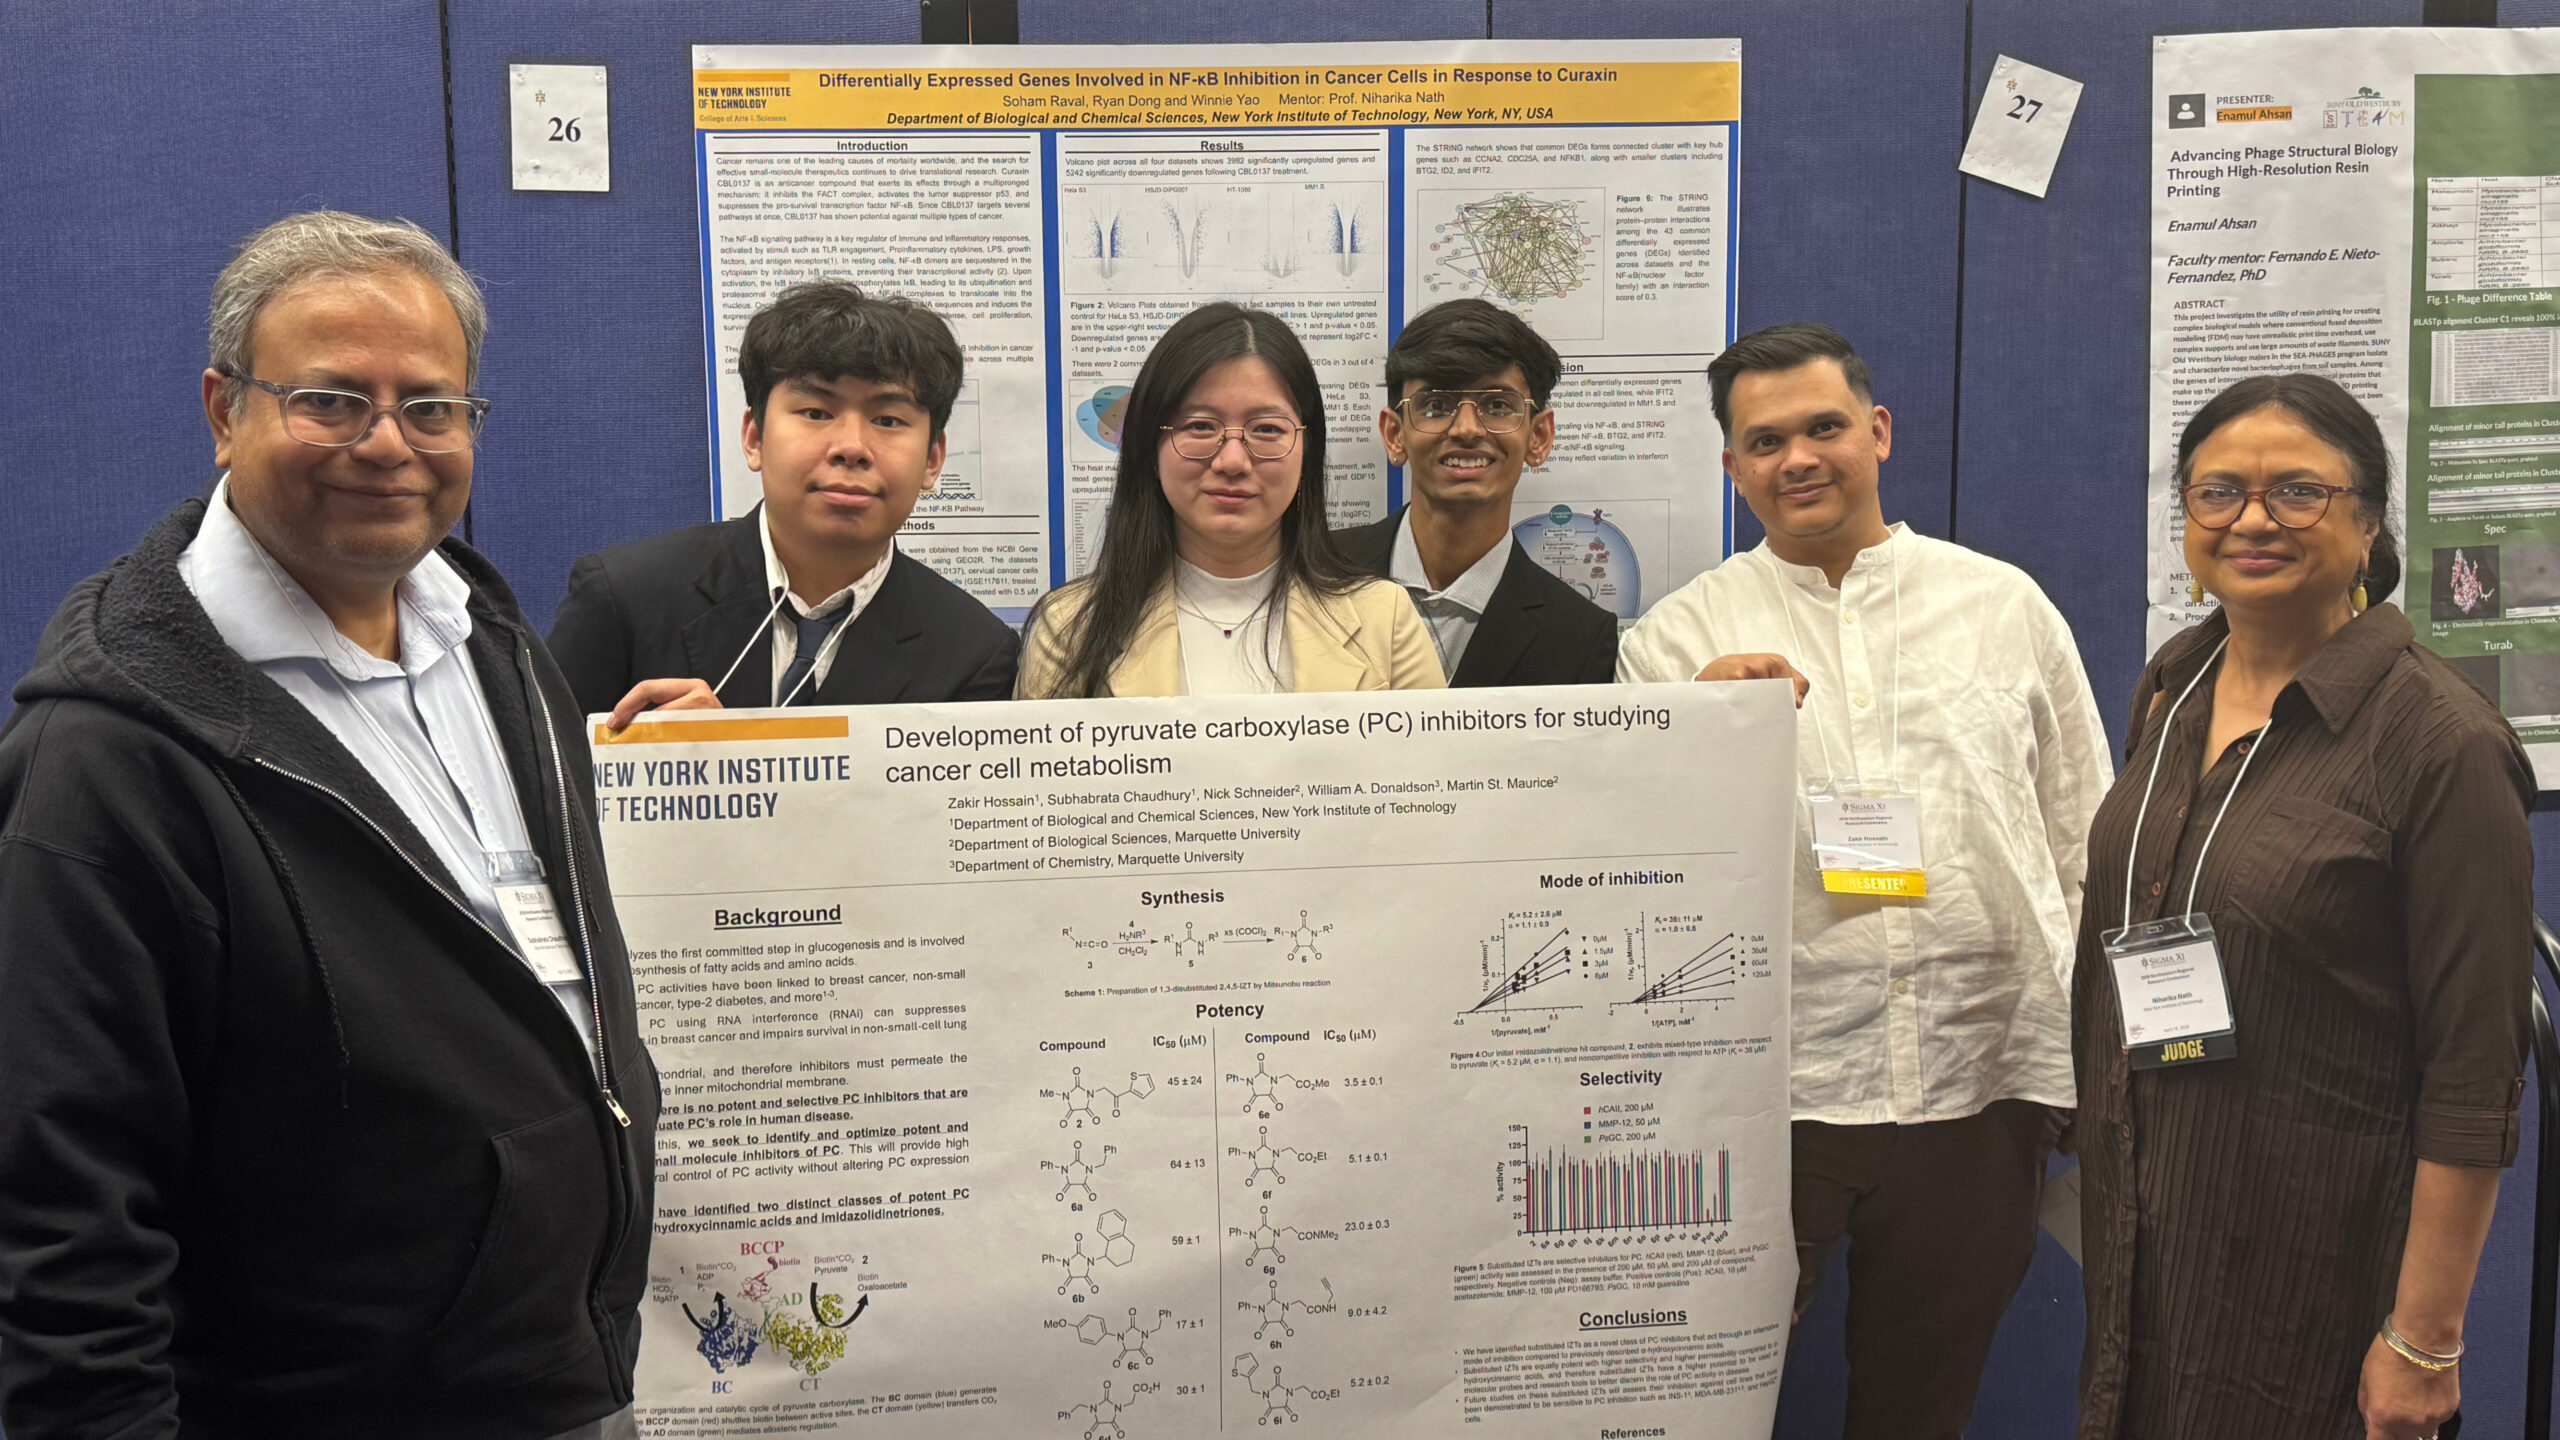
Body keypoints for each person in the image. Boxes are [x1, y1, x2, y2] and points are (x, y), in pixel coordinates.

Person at [0, 212, 655, 1439]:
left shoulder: (493, 646)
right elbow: (59, 1218)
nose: (389, 445)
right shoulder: (111, 758)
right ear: (222, 410)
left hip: (565, 1390)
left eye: (432, 406)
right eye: (332, 400)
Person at [1617, 322, 2109, 1440]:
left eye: (1824, 427)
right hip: (1768, 1089)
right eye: (1765, 439)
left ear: (1876, 432)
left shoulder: (2002, 607)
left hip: (1977, 1081)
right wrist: (1691, 728)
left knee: (1920, 1406)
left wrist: (2093, 1058)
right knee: (1693, 1402)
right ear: (1730, 467)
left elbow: (2084, 829)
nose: (1799, 457)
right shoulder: (1675, 640)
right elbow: (1636, 866)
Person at [2073, 374, 2529, 1440]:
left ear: (2368, 523)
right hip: (2148, 1243)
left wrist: (2423, 1341)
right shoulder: (2172, 684)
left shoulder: (2440, 745)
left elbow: (2473, 1077)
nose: (2251, 520)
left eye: (2297, 493)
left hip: (2317, 1280)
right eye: (2217, 492)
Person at [547, 281, 1018, 725]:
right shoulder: (625, 599)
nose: (851, 446)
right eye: (816, 412)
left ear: (933, 459)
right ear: (754, 437)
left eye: (889, 420)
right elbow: (543, 793)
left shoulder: (973, 652)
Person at [1017, 302, 1443, 697]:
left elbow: (1425, 778)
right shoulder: (1069, 630)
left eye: (1267, 430)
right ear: (1150, 448)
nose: (1233, 460)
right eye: (1201, 427)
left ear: (1307, 450)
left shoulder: (1385, 621)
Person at [1334, 298, 1618, 685]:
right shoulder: (1313, 575)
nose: (1466, 429)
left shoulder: (1579, 637)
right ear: (1395, 434)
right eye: (1436, 405)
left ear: (1539, 436)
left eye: (1497, 405)